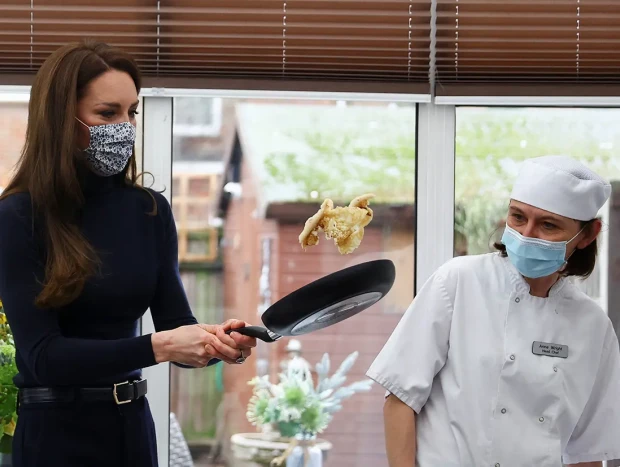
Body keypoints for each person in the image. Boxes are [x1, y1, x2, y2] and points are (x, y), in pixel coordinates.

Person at [0, 41, 257, 467]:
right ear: (61, 118)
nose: (124, 126)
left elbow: (176, 327)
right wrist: (159, 347)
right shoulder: (16, 218)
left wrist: (215, 342)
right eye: (107, 113)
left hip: (133, 432)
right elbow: (43, 357)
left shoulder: (149, 211)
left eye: (131, 112)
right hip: (54, 440)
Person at [367, 155, 620, 467]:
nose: (526, 234)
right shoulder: (458, 282)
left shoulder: (593, 326)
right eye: (517, 217)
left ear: (587, 234)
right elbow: (400, 397)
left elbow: (587, 452)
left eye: (548, 225)